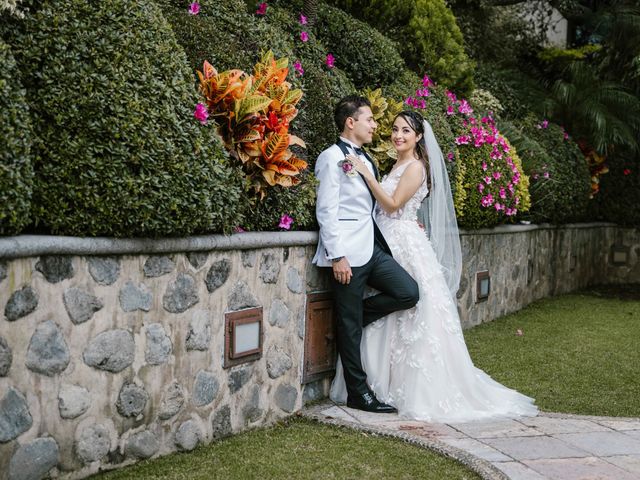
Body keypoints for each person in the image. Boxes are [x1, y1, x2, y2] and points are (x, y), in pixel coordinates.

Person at [330, 110, 538, 422]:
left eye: (406, 131)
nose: (398, 135)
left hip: (403, 242)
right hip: (382, 240)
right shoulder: (396, 163)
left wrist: (366, 175)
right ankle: (376, 384)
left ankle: (409, 386)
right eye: (396, 129)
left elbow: (393, 205)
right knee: (394, 315)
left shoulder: (415, 167)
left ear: (418, 137)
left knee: (411, 306)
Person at [313, 96, 420, 414]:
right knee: (348, 324)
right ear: (351, 122)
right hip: (347, 254)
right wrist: (337, 256)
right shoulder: (331, 158)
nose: (375, 125)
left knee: (408, 292)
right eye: (369, 119)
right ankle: (359, 393)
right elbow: (326, 210)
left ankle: (352, 318)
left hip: (371, 249)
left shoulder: (367, 160)